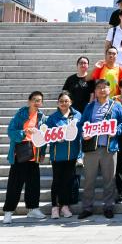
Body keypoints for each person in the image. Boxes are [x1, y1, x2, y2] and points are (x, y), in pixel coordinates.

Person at [78, 79, 122, 220]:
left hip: (109, 148)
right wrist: (84, 133)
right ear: (95, 91)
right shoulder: (89, 106)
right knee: (88, 180)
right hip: (91, 149)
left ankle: (108, 207)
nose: (101, 90)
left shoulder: (116, 106)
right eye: (99, 87)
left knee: (109, 179)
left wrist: (117, 131)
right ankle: (87, 208)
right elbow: (81, 124)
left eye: (104, 87)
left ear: (109, 90)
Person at [2, 91, 47, 224]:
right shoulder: (20, 114)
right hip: (20, 154)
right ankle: (8, 211)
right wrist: (24, 132)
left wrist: (43, 152)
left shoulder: (43, 118)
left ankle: (33, 209)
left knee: (34, 184)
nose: (36, 102)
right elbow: (11, 132)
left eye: (39, 100)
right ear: (29, 101)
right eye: (34, 100)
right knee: (15, 185)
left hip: (34, 154)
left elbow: (44, 137)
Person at [46, 90, 82, 219]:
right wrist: (55, 138)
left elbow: (81, 136)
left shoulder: (77, 115)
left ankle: (65, 206)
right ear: (57, 103)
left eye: (66, 101)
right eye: (61, 101)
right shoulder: (52, 118)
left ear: (71, 102)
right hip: (57, 155)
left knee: (68, 181)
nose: (64, 103)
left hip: (72, 154)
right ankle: (55, 207)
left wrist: (80, 155)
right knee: (57, 181)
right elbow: (46, 136)